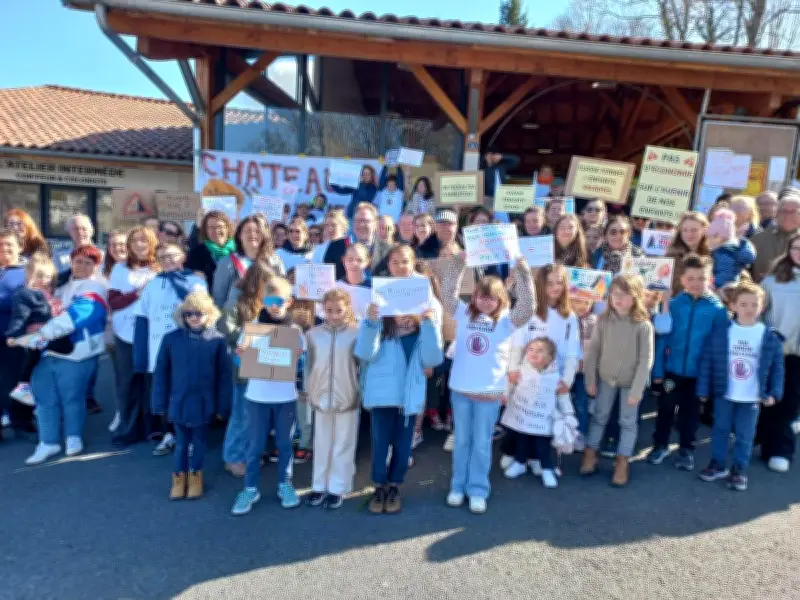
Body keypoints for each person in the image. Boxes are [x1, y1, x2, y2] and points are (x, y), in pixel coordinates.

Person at [441, 253, 535, 514]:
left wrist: (524, 272)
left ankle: (478, 489)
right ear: (474, 298)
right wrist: (460, 262)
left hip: (488, 394)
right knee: (461, 442)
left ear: (500, 300)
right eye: (481, 296)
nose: (485, 301)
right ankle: (457, 486)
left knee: (482, 444)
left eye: (491, 297)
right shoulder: (462, 314)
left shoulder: (506, 322)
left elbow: (527, 307)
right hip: (461, 391)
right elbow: (448, 293)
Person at [356, 244, 443, 514]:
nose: (400, 266)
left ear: (413, 264)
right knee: (380, 442)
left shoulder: (425, 303)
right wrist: (370, 323)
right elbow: (364, 353)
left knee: (403, 445)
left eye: (405, 262)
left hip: (410, 392)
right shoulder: (380, 304)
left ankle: (395, 486)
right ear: (388, 266)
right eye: (395, 262)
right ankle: (379, 486)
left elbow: (432, 360)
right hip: (383, 390)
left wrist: (428, 324)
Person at [17, 245, 107, 465]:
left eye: (89, 262)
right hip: (45, 353)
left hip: (76, 353)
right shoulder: (59, 285)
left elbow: (79, 315)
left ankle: (73, 436)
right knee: (45, 399)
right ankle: (47, 442)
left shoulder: (95, 287)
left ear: (95, 267)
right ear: (71, 262)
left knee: (72, 398)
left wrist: (41, 333)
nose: (82, 265)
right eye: (78, 261)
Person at [696, 282, 784, 491]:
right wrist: (702, 389)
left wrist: (774, 393)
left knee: (745, 435)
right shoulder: (722, 332)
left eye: (755, 304)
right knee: (720, 430)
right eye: (743, 304)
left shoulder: (768, 335)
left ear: (762, 307)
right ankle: (717, 464)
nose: (749, 309)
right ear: (733, 306)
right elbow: (708, 360)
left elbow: (777, 368)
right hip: (724, 393)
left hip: (752, 396)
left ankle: (739, 469)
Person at [231, 274, 305, 515]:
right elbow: (238, 359)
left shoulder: (295, 330)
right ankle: (250, 488)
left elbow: (300, 365)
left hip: (285, 397)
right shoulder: (253, 328)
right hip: (257, 397)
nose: (275, 305)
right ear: (263, 301)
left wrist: (299, 357)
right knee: (254, 446)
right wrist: (239, 354)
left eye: (280, 301)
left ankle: (285, 483)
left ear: (289, 302)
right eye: (270, 300)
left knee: (285, 444)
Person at [648, 254, 728, 471]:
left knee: (690, 414)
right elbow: (662, 337)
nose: (696, 283)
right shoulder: (673, 305)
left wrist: (712, 376)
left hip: (698, 375)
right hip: (672, 373)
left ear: (710, 280)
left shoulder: (718, 310)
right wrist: (658, 370)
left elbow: (719, 347)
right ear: (682, 279)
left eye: (701, 278)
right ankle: (660, 445)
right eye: (690, 278)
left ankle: (686, 450)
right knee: (665, 408)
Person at [127, 243, 207, 452]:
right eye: (162, 258)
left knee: (188, 393)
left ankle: (190, 436)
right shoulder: (152, 285)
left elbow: (204, 313)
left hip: (188, 348)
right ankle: (169, 433)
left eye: (172, 255)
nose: (168, 260)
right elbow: (142, 318)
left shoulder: (196, 282)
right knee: (166, 394)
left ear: (183, 256)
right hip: (159, 349)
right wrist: (141, 357)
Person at [152, 291, 232, 500]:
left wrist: (223, 406)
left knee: (199, 443)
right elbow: (161, 373)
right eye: (189, 314)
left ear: (209, 314)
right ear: (182, 315)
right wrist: (159, 403)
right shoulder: (171, 339)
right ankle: (179, 479)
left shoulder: (218, 340)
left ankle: (195, 477)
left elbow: (224, 376)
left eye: (199, 313)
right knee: (180, 444)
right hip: (178, 401)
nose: (193, 317)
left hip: (204, 403)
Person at [502, 264, 581, 475]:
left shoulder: (569, 316)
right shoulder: (529, 312)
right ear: (540, 285)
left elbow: (573, 351)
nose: (555, 287)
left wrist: (567, 380)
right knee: (521, 415)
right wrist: (512, 370)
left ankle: (538, 458)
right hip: (526, 375)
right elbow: (517, 344)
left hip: (552, 378)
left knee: (544, 418)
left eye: (559, 282)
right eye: (549, 283)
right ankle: (514, 454)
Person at [580, 274, 654, 486]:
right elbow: (593, 352)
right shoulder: (603, 321)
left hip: (630, 383)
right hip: (605, 379)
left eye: (624, 295)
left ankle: (622, 461)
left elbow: (645, 361)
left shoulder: (643, 326)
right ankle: (590, 453)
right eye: (614, 294)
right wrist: (590, 380)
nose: (618, 299)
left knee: (627, 422)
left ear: (637, 297)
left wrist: (637, 390)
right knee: (599, 416)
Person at [304, 288, 360, 509]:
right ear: (323, 309)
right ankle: (319, 485)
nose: (334, 315)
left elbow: (362, 365)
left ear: (347, 309)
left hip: (347, 394)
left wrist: (360, 392)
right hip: (319, 395)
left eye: (339, 310)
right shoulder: (313, 334)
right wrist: (307, 390)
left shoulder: (356, 334)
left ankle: (338, 487)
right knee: (322, 441)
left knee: (344, 443)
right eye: (329, 310)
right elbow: (307, 366)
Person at [219, 262, 274, 478]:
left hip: (261, 363)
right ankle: (232, 458)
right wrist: (252, 332)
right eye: (266, 284)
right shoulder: (236, 302)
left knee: (255, 416)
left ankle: (247, 454)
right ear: (256, 283)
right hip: (243, 366)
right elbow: (225, 329)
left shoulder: (263, 302)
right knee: (241, 414)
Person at [107, 226, 160, 448]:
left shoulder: (159, 268)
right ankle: (128, 429)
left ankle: (152, 428)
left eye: (144, 241)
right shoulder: (120, 269)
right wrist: (138, 293)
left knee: (150, 382)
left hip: (152, 334)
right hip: (126, 334)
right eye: (135, 241)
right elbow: (114, 301)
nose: (140, 245)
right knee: (127, 383)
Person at [500, 337, 575, 488]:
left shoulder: (556, 377)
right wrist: (504, 394)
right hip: (522, 417)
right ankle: (520, 462)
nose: (534, 353)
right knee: (522, 439)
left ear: (550, 357)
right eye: (531, 350)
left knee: (542, 445)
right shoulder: (520, 372)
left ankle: (547, 468)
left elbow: (563, 396)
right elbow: (509, 385)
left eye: (540, 351)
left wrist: (568, 414)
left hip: (543, 421)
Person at [5, 253, 72, 406]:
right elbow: (19, 317)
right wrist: (13, 335)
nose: (45, 280)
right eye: (40, 276)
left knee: (65, 348)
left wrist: (73, 268)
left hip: (51, 332)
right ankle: (23, 387)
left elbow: (61, 277)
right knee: (32, 360)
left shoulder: (48, 289)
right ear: (30, 275)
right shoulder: (25, 294)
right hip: (37, 333)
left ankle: (31, 390)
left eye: (48, 276)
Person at [758, 233, 800, 473]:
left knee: (790, 403)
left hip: (798, 353)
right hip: (776, 351)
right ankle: (768, 446)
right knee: (772, 399)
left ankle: (782, 450)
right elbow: (761, 311)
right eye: (796, 248)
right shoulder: (774, 280)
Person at [0, 228, 33, 439]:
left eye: (8, 245)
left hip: (14, 337)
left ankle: (21, 421)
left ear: (20, 247)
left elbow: (22, 301)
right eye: (0, 245)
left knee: (17, 381)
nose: (4, 249)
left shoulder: (25, 272)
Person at [212, 215, 283, 309]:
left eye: (257, 231)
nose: (253, 234)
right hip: (237, 317)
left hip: (267, 318)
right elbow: (219, 299)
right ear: (239, 235)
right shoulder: (226, 262)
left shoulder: (275, 261)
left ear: (264, 235)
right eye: (247, 231)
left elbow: (282, 292)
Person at [322, 203, 390, 280]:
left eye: (366, 221)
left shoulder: (388, 249)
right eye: (357, 221)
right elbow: (327, 279)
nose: (361, 225)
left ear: (375, 223)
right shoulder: (335, 246)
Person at [750, 194, 800, 282]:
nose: (787, 216)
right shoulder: (757, 239)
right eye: (783, 211)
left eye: (793, 212)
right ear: (776, 214)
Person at [185, 210, 235, 291]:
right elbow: (185, 273)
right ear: (206, 231)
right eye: (211, 227)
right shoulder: (197, 252)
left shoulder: (240, 250)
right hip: (208, 301)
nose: (216, 231)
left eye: (220, 227)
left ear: (227, 228)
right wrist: (192, 274)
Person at [708, 207, 756, 289]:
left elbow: (724, 274)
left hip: (726, 287)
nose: (709, 239)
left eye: (713, 236)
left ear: (723, 237)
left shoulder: (727, 252)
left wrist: (713, 285)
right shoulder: (715, 251)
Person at [571, 296, 597, 448]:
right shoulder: (566, 318)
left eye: (587, 302)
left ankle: (579, 434)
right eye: (578, 301)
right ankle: (561, 432)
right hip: (567, 371)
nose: (582, 305)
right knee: (564, 402)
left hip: (585, 371)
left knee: (582, 403)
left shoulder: (595, 321)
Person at [666, 212, 710, 296]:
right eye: (685, 230)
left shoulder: (712, 253)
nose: (689, 234)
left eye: (694, 230)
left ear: (704, 230)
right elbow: (675, 286)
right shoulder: (672, 255)